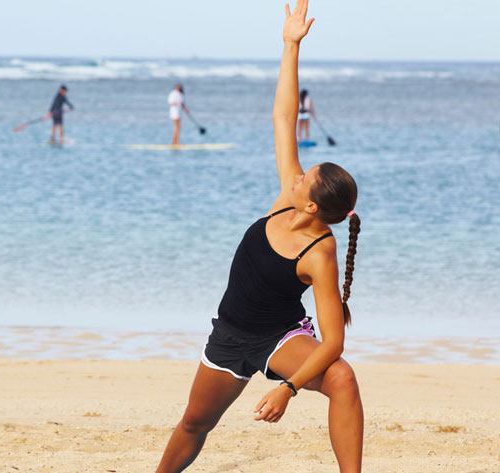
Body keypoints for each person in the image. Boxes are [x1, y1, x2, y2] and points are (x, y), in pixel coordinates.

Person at [155, 2, 363, 472]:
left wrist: (287, 389)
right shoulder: (289, 199)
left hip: (280, 338)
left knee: (343, 379)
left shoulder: (320, 252)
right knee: (193, 425)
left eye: (306, 176)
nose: (297, 173)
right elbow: (283, 118)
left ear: (314, 206)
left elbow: (333, 343)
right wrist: (290, 45)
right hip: (229, 335)